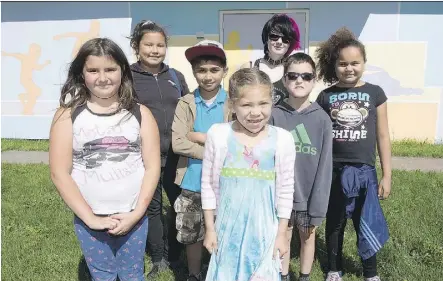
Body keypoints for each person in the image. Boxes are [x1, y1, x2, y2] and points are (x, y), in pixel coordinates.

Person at [49, 38, 161, 281]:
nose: (103, 77)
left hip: (134, 217)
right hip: (90, 220)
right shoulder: (67, 116)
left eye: (110, 69)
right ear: (81, 73)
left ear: (123, 71)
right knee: (103, 275)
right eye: (93, 70)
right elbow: (60, 173)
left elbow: (152, 168)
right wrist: (90, 218)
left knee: (133, 275)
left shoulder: (141, 114)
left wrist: (137, 212)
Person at [201, 67, 296, 281]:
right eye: (246, 105)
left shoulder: (283, 139)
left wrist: (281, 234)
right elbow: (207, 184)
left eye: (263, 103)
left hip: (264, 234)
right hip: (227, 232)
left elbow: (286, 190)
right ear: (232, 104)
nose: (256, 112)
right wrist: (210, 228)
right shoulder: (218, 135)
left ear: (272, 102)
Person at [315, 27, 392, 281]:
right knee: (335, 223)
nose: (349, 68)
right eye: (343, 64)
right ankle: (334, 269)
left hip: (364, 172)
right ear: (334, 65)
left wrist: (386, 175)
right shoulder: (325, 96)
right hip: (334, 171)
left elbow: (383, 136)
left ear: (364, 63)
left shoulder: (375, 93)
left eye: (355, 63)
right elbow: (320, 138)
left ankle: (370, 273)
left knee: (364, 221)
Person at [129, 20, 190, 277]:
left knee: (179, 205)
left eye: (160, 45)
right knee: (151, 208)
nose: (155, 50)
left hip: (177, 155)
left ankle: (175, 255)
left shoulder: (176, 76)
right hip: (145, 157)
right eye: (149, 45)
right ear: (137, 46)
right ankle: (157, 257)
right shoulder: (127, 77)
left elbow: (189, 110)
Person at [171, 40, 231, 281]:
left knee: (224, 232)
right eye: (201, 70)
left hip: (226, 183)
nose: (208, 76)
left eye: (214, 70)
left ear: (225, 71)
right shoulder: (186, 103)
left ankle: (221, 273)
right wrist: (213, 148)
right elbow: (178, 143)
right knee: (192, 233)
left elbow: (235, 142)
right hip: (192, 181)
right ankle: (194, 274)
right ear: (194, 72)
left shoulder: (233, 102)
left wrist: (202, 137)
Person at [270, 52, 333, 281]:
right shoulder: (274, 115)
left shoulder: (322, 119)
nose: (299, 81)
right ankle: (283, 275)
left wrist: (317, 204)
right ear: (285, 80)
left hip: (309, 197)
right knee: (283, 237)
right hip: (281, 196)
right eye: (293, 75)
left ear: (314, 80)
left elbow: (325, 166)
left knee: (308, 237)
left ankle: (304, 277)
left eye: (306, 76)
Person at [243, 14, 301, 106]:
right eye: (274, 36)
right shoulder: (249, 67)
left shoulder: (293, 71)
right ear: (266, 38)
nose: (279, 42)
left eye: (286, 39)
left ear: (291, 44)